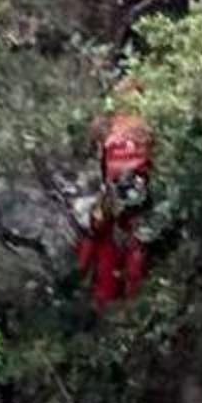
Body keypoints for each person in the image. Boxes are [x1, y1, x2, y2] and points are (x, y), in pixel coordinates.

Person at [75, 82, 153, 310]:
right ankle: (123, 299)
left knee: (101, 236)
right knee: (124, 242)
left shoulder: (111, 126)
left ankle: (102, 296)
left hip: (119, 196)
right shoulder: (143, 125)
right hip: (133, 195)